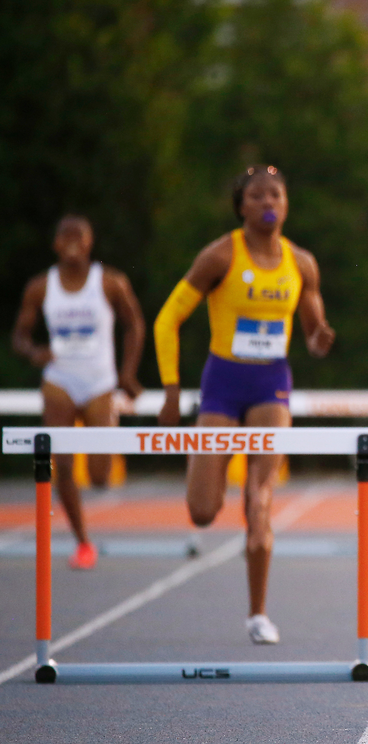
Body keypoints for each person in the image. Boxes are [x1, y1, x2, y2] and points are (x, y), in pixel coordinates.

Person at [154, 165, 335, 644]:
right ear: (242, 206)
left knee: (261, 502)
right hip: (222, 385)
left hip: (271, 386)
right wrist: (171, 388)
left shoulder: (301, 263)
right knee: (201, 511)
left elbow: (315, 330)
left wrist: (319, 340)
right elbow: (168, 318)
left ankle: (258, 614)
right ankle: (221, 482)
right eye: (256, 195)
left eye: (276, 192)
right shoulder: (220, 255)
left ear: (286, 202)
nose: (267, 201)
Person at [11, 215, 146, 570]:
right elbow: (20, 335)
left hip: (100, 383)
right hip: (60, 382)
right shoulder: (41, 287)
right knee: (64, 467)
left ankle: (89, 521)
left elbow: (134, 324)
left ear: (90, 243)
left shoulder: (110, 281)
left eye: (79, 236)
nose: (72, 241)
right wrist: (32, 352)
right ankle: (83, 542)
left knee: (101, 475)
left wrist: (127, 373)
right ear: (55, 244)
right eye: (65, 235)